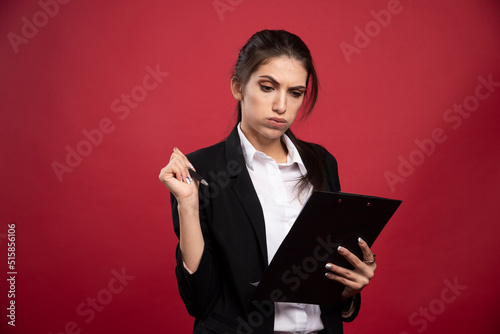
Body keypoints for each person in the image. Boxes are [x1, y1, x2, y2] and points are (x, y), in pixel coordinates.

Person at [159, 29, 377, 334]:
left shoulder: (323, 163)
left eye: (295, 92)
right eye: (267, 87)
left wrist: (349, 290)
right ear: (238, 87)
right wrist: (188, 204)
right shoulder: (202, 171)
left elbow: (330, 282)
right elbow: (200, 301)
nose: (281, 106)